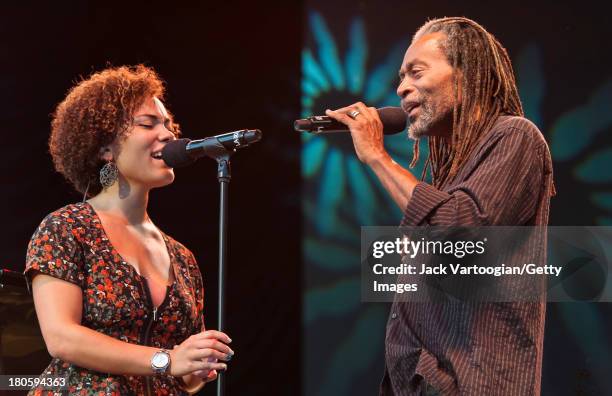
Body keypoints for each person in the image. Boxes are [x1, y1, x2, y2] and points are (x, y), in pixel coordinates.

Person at [326, 17, 555, 396]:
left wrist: (378, 157)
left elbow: (459, 231)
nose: (401, 88)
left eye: (416, 72)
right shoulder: (450, 174)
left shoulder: (516, 136)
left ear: (465, 72)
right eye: (401, 76)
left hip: (471, 383)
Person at [24, 65, 233, 395]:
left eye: (167, 124)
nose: (167, 134)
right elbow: (62, 338)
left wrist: (197, 367)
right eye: (148, 124)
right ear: (105, 147)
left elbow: (184, 374)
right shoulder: (67, 228)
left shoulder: (182, 258)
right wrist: (166, 360)